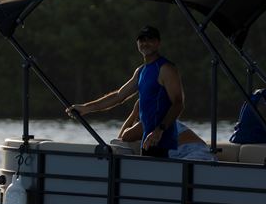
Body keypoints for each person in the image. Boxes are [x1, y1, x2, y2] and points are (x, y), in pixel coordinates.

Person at [68, 25, 184, 157]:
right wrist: (86, 108)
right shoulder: (141, 71)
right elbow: (118, 96)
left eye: (150, 39)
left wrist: (159, 130)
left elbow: (178, 103)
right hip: (148, 141)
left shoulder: (165, 68)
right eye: (142, 40)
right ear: (137, 43)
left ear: (158, 43)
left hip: (163, 141)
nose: (145, 43)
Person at [114, 102, 216, 161]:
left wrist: (134, 113)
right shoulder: (168, 121)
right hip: (203, 156)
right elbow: (121, 141)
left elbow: (123, 137)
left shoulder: (152, 121)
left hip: (197, 157)